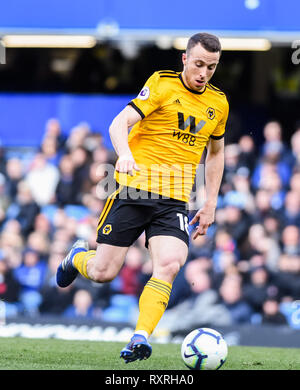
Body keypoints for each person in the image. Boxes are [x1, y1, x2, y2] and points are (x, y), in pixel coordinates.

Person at [56, 32, 229, 363]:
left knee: (170, 264)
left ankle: (139, 337)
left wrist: (210, 201)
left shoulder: (218, 103)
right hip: (134, 189)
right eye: (198, 64)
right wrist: (123, 154)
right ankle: (76, 256)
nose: (203, 73)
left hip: (176, 199)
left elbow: (216, 153)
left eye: (211, 67)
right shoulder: (162, 84)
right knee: (104, 272)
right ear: (184, 59)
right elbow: (119, 123)